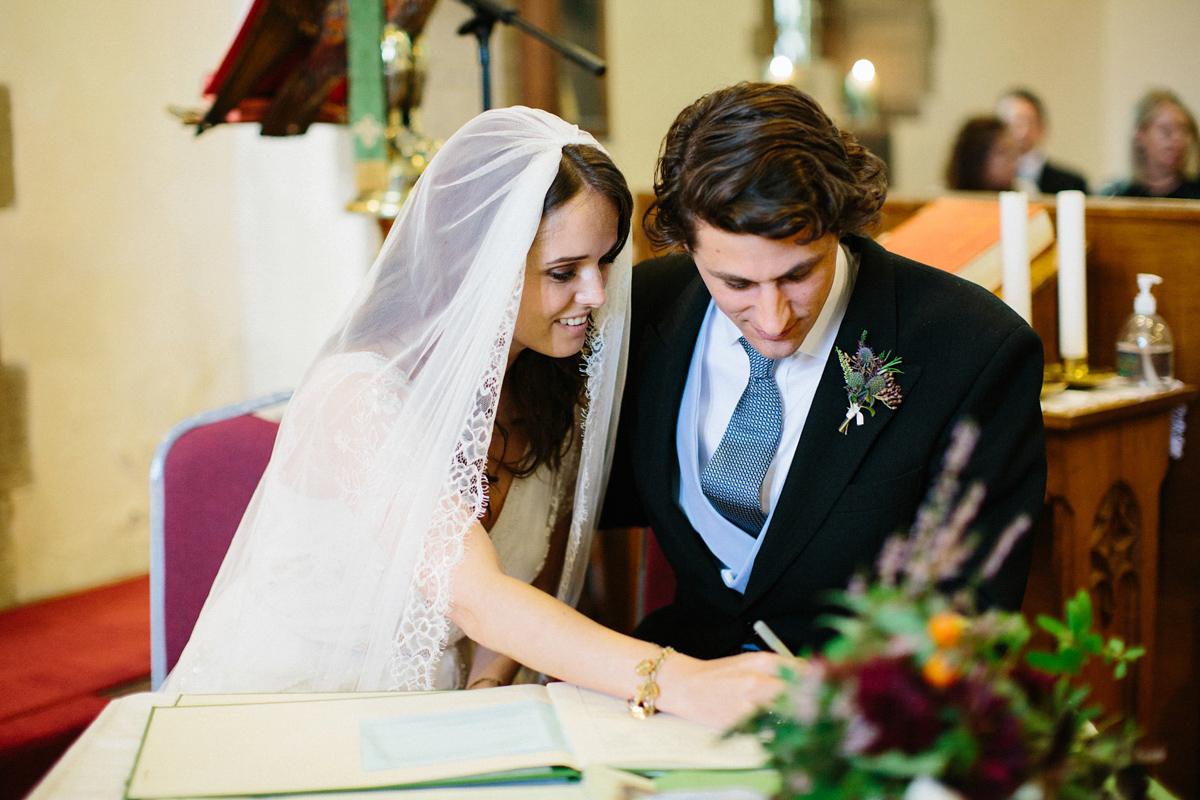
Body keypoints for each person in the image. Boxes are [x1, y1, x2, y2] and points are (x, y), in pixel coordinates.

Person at [163, 107, 783, 728]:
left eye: (605, 261)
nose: (596, 294)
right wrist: (683, 682)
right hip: (295, 711)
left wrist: (488, 682)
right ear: (480, 265)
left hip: (440, 719)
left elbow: (522, 579)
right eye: (564, 272)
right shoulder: (357, 395)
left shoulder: (551, 387)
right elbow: (478, 595)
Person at [602, 83, 1046, 659]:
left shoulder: (973, 349)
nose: (771, 316)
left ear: (841, 221)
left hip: (863, 713)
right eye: (735, 283)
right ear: (686, 243)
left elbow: (970, 613)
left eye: (797, 274)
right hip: (683, 687)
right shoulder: (646, 312)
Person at [1103, 89, 1200, 200]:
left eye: (1184, 131)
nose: (1178, 139)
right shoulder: (1119, 197)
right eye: (1166, 130)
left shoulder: (1196, 194)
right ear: (1140, 135)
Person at [996, 88, 1089, 194]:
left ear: (1042, 127)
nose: (1021, 131)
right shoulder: (985, 183)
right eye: (1013, 122)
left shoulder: (1071, 184)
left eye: (1028, 122)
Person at [944, 116, 1020, 191]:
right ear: (975, 157)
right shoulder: (942, 199)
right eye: (1002, 152)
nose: (1013, 161)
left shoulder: (1023, 194)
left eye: (1013, 152)